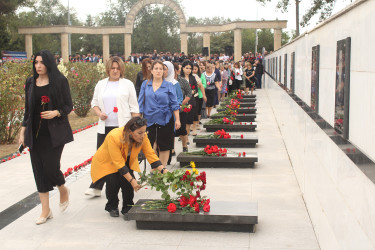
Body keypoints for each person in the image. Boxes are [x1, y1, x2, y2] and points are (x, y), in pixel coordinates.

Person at [19, 49, 72, 225]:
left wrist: (56, 112)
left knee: (50, 168)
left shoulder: (59, 81)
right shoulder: (30, 82)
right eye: (36, 62)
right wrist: (22, 131)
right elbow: (28, 110)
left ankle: (63, 189)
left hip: (54, 134)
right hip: (35, 134)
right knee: (38, 171)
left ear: (48, 63)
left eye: (41, 62)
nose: (38, 65)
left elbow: (68, 106)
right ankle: (45, 210)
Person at [90, 117, 168, 217]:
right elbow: (118, 163)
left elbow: (151, 155)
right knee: (113, 182)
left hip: (125, 159)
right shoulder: (114, 136)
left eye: (144, 132)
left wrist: (163, 170)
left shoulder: (143, 137)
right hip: (108, 161)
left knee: (127, 184)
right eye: (140, 133)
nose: (143, 135)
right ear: (130, 131)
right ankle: (112, 206)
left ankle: (127, 207)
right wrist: (132, 181)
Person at [85, 56, 139, 197]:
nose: (115, 71)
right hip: (105, 128)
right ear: (108, 69)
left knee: (123, 160)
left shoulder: (127, 84)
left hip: (123, 128)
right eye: (112, 68)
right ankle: (97, 186)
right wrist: (99, 113)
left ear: (121, 69)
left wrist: (136, 129)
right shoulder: (101, 84)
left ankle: (126, 189)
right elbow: (94, 103)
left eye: (117, 68)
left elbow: (134, 107)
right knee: (103, 158)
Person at [138, 60, 181, 166]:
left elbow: (174, 103)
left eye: (161, 69)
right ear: (151, 70)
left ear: (164, 71)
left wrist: (178, 119)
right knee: (150, 145)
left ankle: (162, 168)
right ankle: (155, 167)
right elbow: (140, 103)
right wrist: (139, 121)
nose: (158, 71)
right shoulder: (145, 84)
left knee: (165, 145)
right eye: (156, 68)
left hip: (165, 119)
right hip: (149, 119)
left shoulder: (169, 85)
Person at [180, 61, 198, 137]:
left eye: (190, 68)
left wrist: (192, 91)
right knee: (182, 120)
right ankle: (182, 135)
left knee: (188, 121)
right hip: (182, 101)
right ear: (183, 68)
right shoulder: (179, 78)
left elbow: (196, 88)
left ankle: (186, 136)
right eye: (187, 68)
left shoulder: (192, 77)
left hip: (191, 100)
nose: (188, 70)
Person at [192, 63, 207, 130]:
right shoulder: (191, 76)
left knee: (199, 109)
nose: (194, 70)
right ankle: (193, 123)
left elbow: (204, 84)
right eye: (193, 69)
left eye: (195, 69)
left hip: (200, 94)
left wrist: (199, 86)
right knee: (194, 109)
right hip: (193, 95)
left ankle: (197, 122)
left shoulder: (201, 75)